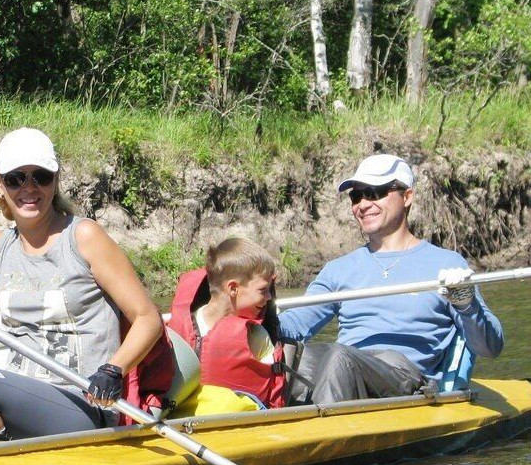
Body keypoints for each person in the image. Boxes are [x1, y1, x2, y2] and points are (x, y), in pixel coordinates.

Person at [0, 127, 172, 441]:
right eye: (16, 179)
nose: (28, 188)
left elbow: (147, 318)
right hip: (22, 397)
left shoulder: (85, 237)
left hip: (85, 400)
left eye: (41, 177)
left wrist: (114, 369)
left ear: (55, 180)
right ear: (0, 185)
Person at [278, 154, 504, 404]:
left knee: (339, 357)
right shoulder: (338, 269)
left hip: (406, 379)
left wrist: (466, 305)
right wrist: (250, 321)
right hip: (343, 366)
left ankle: (324, 436)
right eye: (356, 196)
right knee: (282, 355)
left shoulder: (446, 264)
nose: (362, 205)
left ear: (407, 197)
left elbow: (490, 347)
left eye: (374, 193)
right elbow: (293, 326)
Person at [167, 237, 290, 413]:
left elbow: (274, 395)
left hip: (241, 426)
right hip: (185, 423)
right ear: (233, 289)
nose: (269, 297)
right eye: (263, 290)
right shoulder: (177, 331)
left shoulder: (257, 335)